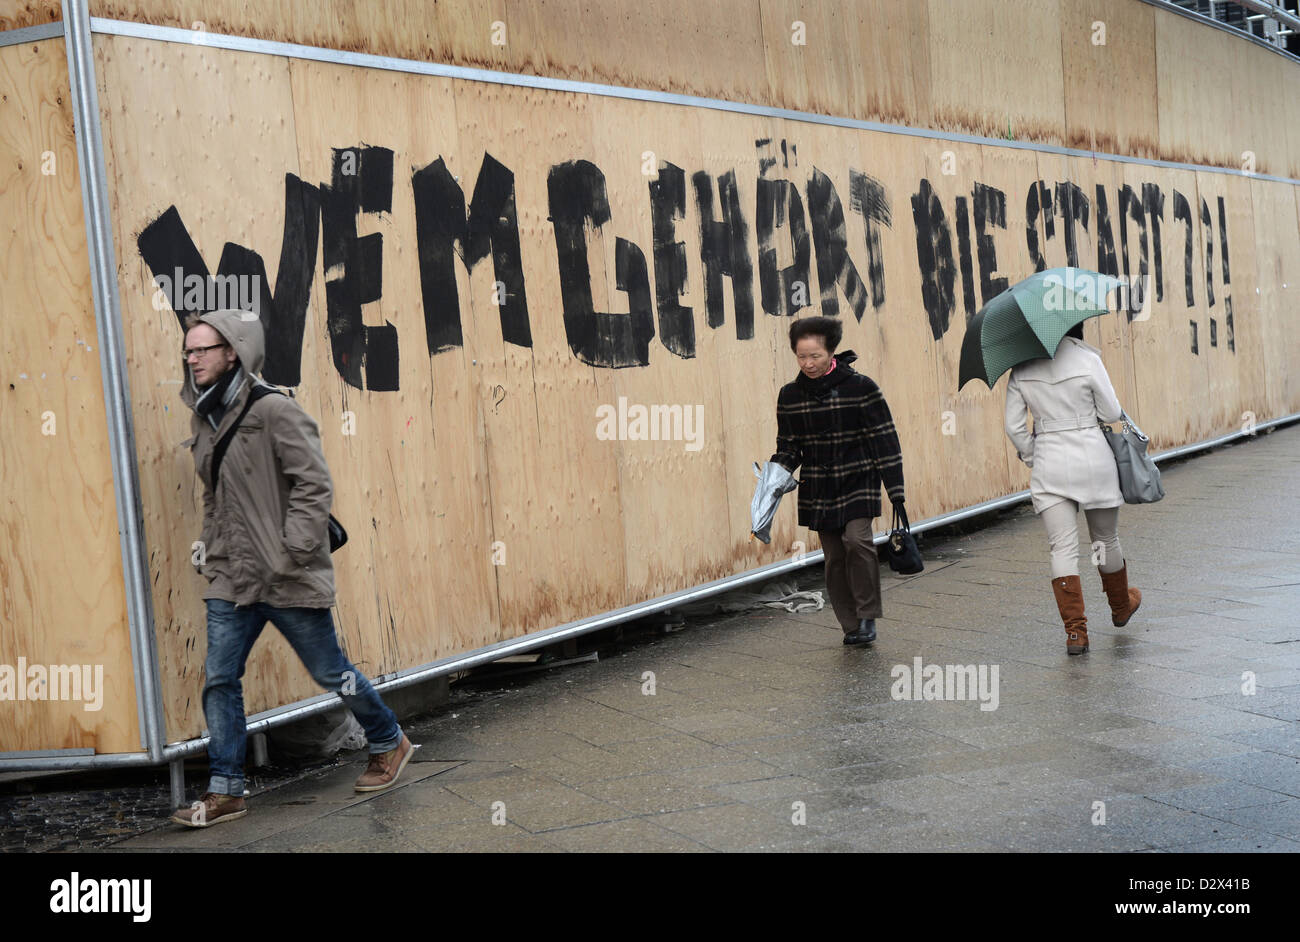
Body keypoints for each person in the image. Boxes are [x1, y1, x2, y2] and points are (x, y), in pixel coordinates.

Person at [170, 309, 413, 828]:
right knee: (219, 677)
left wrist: (292, 553)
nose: (192, 358)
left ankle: (389, 739)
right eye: (188, 350)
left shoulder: (274, 410)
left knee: (330, 671)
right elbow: (215, 495)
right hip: (231, 575)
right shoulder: (204, 416)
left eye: (202, 349)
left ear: (232, 351)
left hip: (286, 573)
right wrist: (214, 549)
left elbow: (314, 485)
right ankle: (226, 788)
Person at [1004, 321, 1142, 654]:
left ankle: (1076, 633)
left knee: (1061, 548)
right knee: (1105, 539)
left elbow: (1013, 426)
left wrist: (1032, 453)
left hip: (1051, 463)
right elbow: (1111, 411)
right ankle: (1121, 606)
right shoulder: (1086, 358)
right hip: (1093, 458)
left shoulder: (1022, 366)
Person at [771, 316, 907, 646]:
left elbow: (884, 439)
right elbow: (789, 446)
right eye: (801, 356)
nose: (808, 363)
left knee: (857, 542)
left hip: (859, 476)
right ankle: (850, 625)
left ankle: (867, 616)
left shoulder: (861, 387)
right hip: (818, 484)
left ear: (831, 352)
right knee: (833, 558)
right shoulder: (790, 395)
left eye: (815, 355)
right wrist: (775, 475)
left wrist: (896, 492)